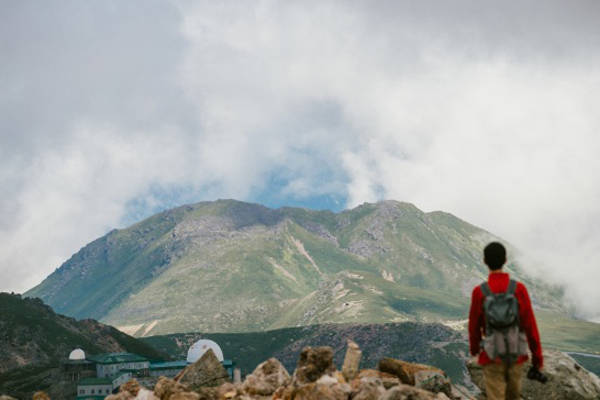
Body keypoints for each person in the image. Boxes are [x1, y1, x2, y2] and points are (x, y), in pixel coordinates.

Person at [468, 242, 543, 400]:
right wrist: (537, 358)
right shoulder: (519, 289)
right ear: (505, 260)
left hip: (492, 355)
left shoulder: (479, 292)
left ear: (485, 261)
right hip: (516, 354)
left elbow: (474, 327)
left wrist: (475, 351)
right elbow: (530, 325)